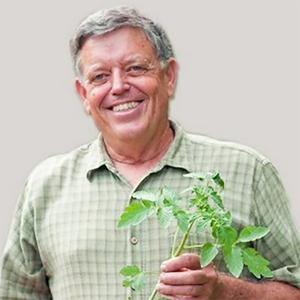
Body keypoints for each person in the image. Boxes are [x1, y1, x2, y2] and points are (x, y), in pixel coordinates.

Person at [0, 6, 299, 300]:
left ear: (169, 77)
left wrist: (224, 292)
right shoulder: (45, 186)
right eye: (100, 77)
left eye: (135, 68)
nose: (118, 86)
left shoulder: (248, 172)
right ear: (84, 95)